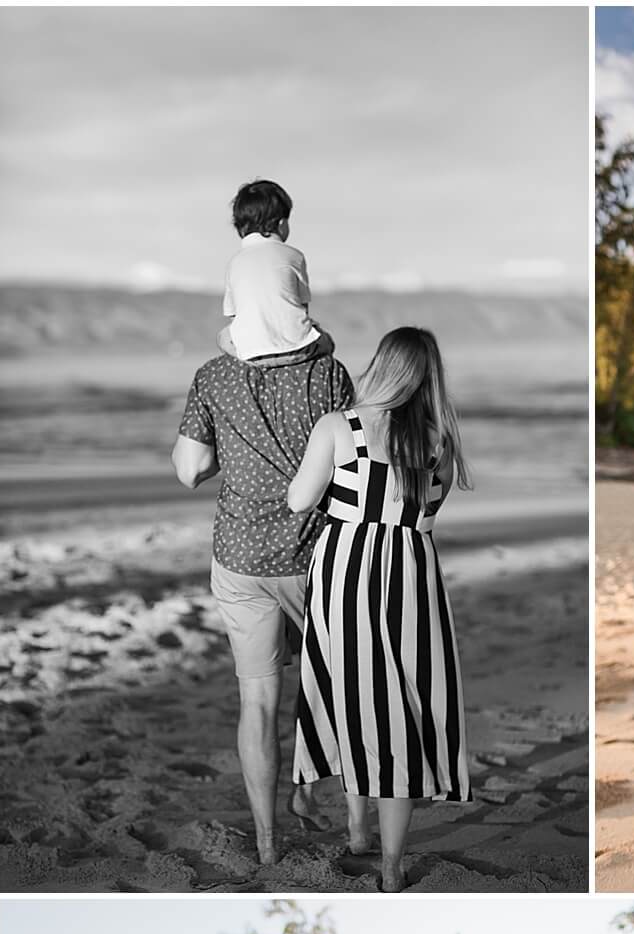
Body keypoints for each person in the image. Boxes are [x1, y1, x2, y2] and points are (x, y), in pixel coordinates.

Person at [288, 327, 472, 893]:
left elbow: (299, 499)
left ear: (381, 366)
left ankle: (357, 827)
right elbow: (426, 519)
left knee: (353, 694)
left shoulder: (339, 427)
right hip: (414, 575)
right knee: (402, 707)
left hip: (348, 570)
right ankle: (390, 861)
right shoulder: (439, 441)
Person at [172, 332, 353, 865]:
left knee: (257, 699)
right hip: (314, 553)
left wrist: (231, 453)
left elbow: (189, 470)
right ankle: (306, 792)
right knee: (323, 683)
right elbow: (351, 457)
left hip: (242, 555)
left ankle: (268, 842)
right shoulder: (330, 375)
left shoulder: (212, 376)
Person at [217, 179, 333, 362]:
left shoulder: (234, 262)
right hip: (297, 349)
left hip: (251, 353)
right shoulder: (294, 256)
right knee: (326, 341)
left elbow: (233, 315)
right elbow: (303, 307)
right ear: (281, 223)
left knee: (223, 336)